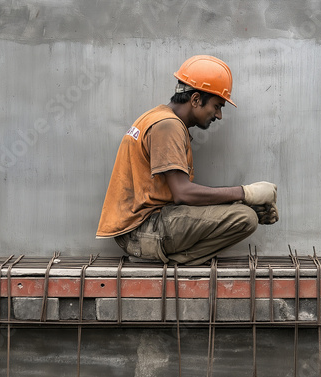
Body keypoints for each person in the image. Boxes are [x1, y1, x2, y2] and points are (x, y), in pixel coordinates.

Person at [96, 55, 278, 265]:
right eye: (217, 106)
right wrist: (246, 193)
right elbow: (183, 194)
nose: (218, 115)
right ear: (195, 100)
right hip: (143, 231)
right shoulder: (167, 125)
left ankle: (168, 256)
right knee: (245, 219)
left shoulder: (159, 118)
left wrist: (236, 202)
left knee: (243, 212)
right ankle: (174, 260)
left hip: (146, 225)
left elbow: (179, 198)